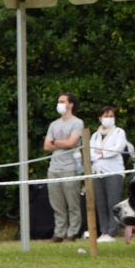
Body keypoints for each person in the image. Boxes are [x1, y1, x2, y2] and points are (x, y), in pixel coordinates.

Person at [43, 93, 84, 242]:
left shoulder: (77, 122)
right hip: (53, 168)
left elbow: (71, 143)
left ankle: (72, 232)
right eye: (58, 101)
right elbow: (46, 146)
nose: (59, 104)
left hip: (70, 167)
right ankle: (59, 232)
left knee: (72, 203)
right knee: (57, 203)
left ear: (70, 104)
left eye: (62, 101)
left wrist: (55, 141)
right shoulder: (53, 124)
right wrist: (60, 142)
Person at [88, 105, 128, 243]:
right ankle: (104, 231)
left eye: (111, 116)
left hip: (114, 172)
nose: (109, 119)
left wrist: (103, 153)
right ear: (100, 118)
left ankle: (112, 232)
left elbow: (117, 148)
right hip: (97, 172)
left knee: (113, 202)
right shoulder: (94, 135)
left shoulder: (119, 132)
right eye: (106, 116)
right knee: (101, 203)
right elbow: (90, 152)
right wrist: (98, 155)